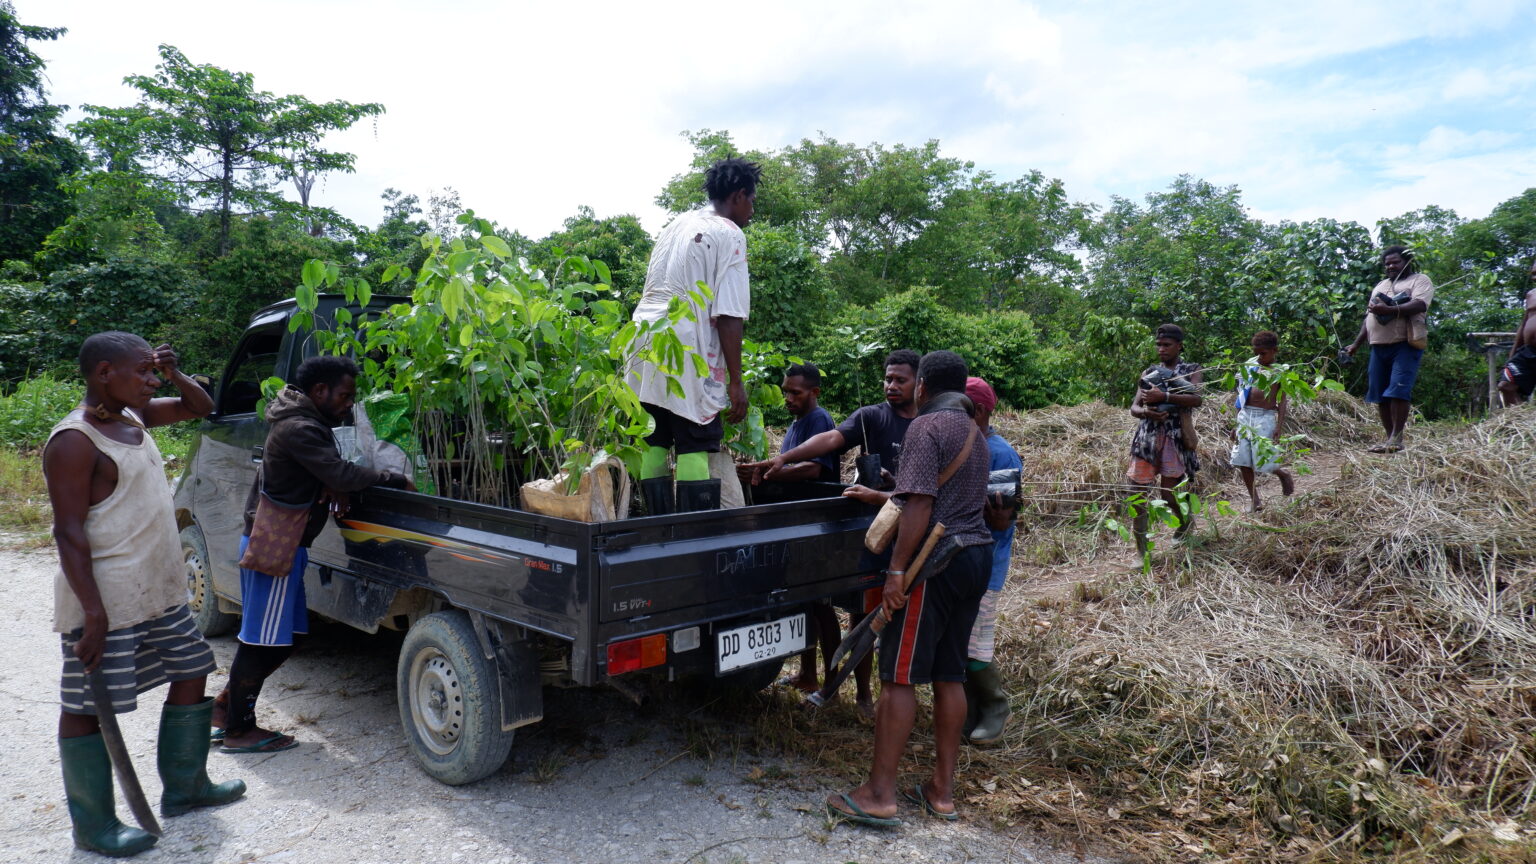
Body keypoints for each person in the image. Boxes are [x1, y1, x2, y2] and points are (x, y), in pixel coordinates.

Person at [44, 332, 245, 856]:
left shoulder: (133, 418)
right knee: (88, 705)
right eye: (145, 372)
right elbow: (68, 532)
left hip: (157, 588)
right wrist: (92, 613)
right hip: (106, 599)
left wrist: (177, 374)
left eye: (156, 372)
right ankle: (93, 825)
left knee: (191, 668)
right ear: (104, 372)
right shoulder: (75, 441)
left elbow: (200, 407)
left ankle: (185, 787)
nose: (152, 381)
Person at [213, 356, 414, 754]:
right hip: (275, 548)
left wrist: (330, 485)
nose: (348, 404)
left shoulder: (307, 422)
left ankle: (224, 709)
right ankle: (238, 729)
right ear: (319, 391)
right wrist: (392, 478)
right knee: (262, 642)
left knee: (290, 637)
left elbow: (326, 475)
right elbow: (339, 472)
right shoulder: (300, 427)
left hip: (288, 547)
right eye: (344, 395)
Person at [825, 350, 992, 827]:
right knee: (950, 674)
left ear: (923, 387)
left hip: (934, 563)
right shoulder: (975, 434)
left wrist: (896, 573)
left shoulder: (926, 427)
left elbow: (918, 506)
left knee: (898, 674)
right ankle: (942, 791)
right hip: (974, 557)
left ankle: (879, 793)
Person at [747, 348, 922, 716]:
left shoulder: (928, 424)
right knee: (863, 616)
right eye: (888, 379)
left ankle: (899, 697)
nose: (891, 386)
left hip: (918, 536)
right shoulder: (872, 417)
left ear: (919, 383)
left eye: (900, 380)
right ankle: (862, 697)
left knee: (908, 622)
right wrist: (784, 458)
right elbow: (831, 439)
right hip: (875, 533)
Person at [628, 157, 761, 514]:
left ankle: (655, 528)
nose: (751, 210)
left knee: (654, 436)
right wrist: (736, 382)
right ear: (738, 195)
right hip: (687, 345)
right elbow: (730, 315)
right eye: (751, 201)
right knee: (695, 441)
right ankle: (689, 539)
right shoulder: (730, 234)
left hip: (644, 340)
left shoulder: (677, 224)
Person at [739, 363, 842, 694]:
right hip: (798, 525)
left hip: (818, 526)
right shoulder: (797, 423)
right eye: (785, 391)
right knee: (804, 604)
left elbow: (813, 469)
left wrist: (769, 475)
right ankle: (808, 674)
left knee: (822, 608)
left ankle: (831, 681)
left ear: (814, 393)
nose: (787, 398)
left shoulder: (819, 420)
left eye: (795, 393)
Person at [960, 376, 1020, 745]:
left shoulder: (999, 454)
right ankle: (967, 713)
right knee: (960, 640)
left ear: (979, 411)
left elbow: (1003, 519)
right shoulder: (964, 444)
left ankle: (996, 707)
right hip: (961, 559)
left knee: (976, 642)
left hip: (986, 561)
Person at [1344, 245, 1435, 452]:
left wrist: (1390, 309)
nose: (1391, 266)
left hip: (1405, 344)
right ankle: (1389, 440)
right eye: (1387, 264)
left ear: (1407, 262)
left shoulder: (1419, 280)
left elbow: (1420, 305)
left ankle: (1397, 438)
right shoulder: (1381, 285)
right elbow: (1369, 317)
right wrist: (1356, 344)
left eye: (1395, 262)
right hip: (1378, 346)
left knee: (1398, 390)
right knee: (1380, 393)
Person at [1126, 323, 1203, 552]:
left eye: (1167, 345)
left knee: (1169, 494)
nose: (1162, 349)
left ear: (1179, 346)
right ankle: (1141, 551)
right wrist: (1146, 412)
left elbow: (1197, 398)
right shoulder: (1149, 373)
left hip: (1176, 438)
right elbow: (1134, 407)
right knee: (1136, 494)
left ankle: (1185, 524)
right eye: (1159, 345)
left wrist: (1165, 395)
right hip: (1147, 439)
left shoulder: (1191, 370)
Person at [1230, 331, 1296, 512]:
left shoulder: (1280, 371)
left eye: (1263, 353)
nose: (1259, 357)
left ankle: (1282, 473)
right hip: (1245, 416)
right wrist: (1237, 424)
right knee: (1242, 459)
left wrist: (1279, 427)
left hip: (1265, 416)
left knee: (1263, 460)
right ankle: (1255, 500)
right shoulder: (1249, 366)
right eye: (1256, 353)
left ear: (1274, 350)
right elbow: (1241, 395)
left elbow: (1282, 401)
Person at [1497, 261, 1536, 407]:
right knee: (1506, 385)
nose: (1534, 278)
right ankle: (1518, 423)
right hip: (1528, 352)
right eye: (1533, 274)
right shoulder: (1531, 295)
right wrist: (1512, 355)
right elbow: (1524, 325)